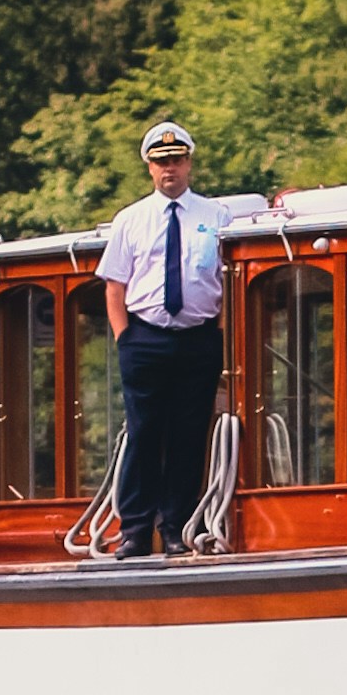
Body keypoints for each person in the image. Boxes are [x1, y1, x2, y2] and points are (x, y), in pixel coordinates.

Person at [98, 120, 236, 556]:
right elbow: (114, 286)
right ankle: (135, 530)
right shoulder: (131, 220)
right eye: (161, 163)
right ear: (149, 169)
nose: (169, 170)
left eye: (176, 161)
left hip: (198, 338)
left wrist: (219, 335)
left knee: (188, 434)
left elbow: (227, 280)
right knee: (143, 432)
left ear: (189, 163)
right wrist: (125, 341)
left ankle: (175, 526)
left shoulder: (216, 217)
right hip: (145, 338)